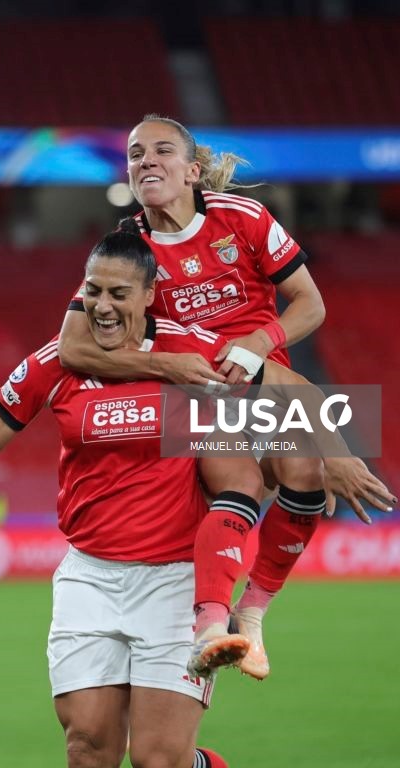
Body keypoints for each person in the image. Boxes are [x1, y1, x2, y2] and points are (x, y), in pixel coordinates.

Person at [57, 115, 397, 681]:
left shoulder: (243, 218)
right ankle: (212, 626)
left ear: (192, 171)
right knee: (239, 477)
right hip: (196, 390)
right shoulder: (127, 246)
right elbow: (72, 346)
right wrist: (167, 362)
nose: (145, 161)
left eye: (162, 151)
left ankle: (252, 615)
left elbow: (310, 305)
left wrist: (262, 340)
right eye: (135, 154)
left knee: (305, 471)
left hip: (263, 378)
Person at [0, 225, 250, 768]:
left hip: (176, 579)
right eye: (93, 291)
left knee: (159, 760)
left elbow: (279, 405)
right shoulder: (53, 365)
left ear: (150, 295)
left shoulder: (192, 358)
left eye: (118, 294)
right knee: (88, 747)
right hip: (90, 578)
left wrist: (332, 456)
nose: (102, 307)